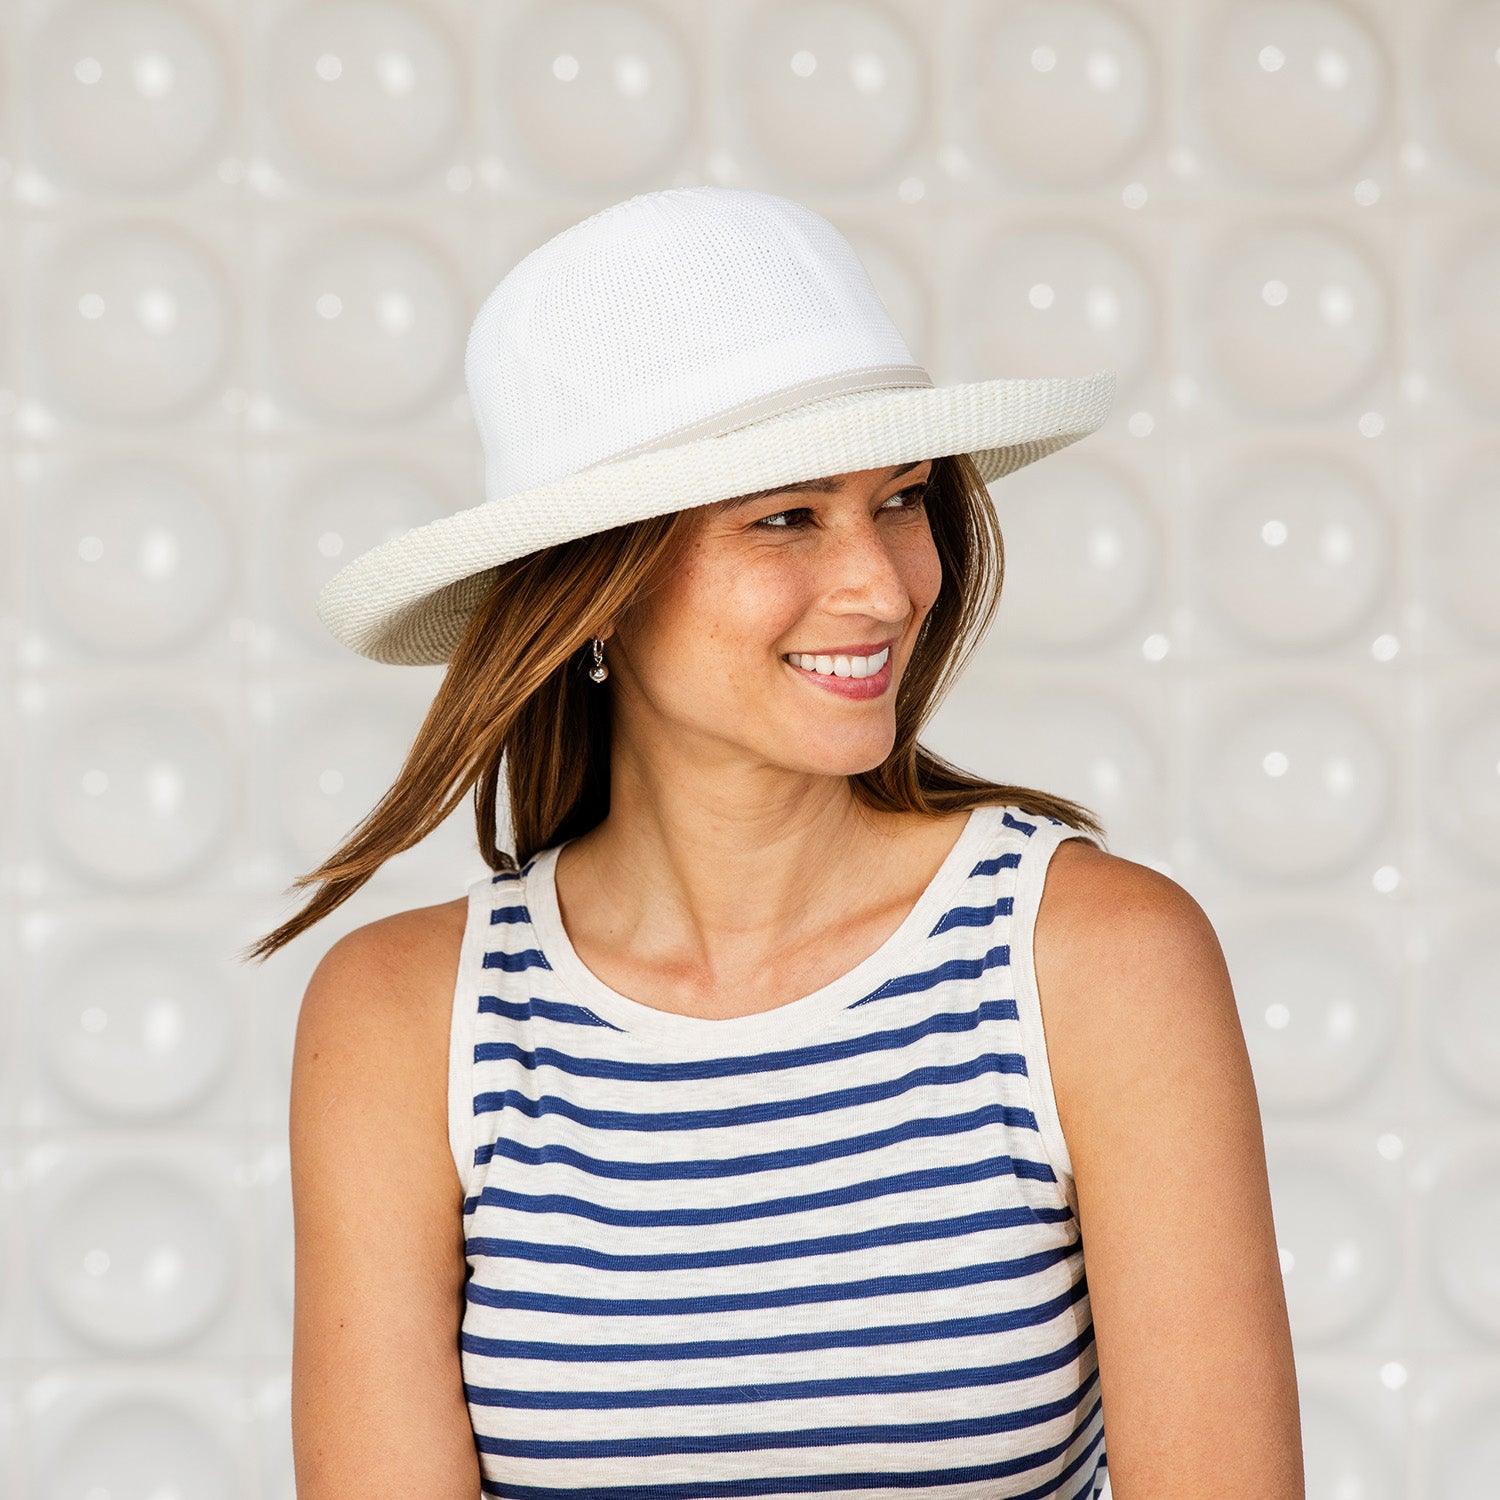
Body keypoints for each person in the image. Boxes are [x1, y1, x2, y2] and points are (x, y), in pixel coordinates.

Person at [248, 187, 1304, 1498]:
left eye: (901, 501)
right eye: (787, 516)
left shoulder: (1091, 964)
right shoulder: (406, 1020)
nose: (883, 584)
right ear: (597, 590)